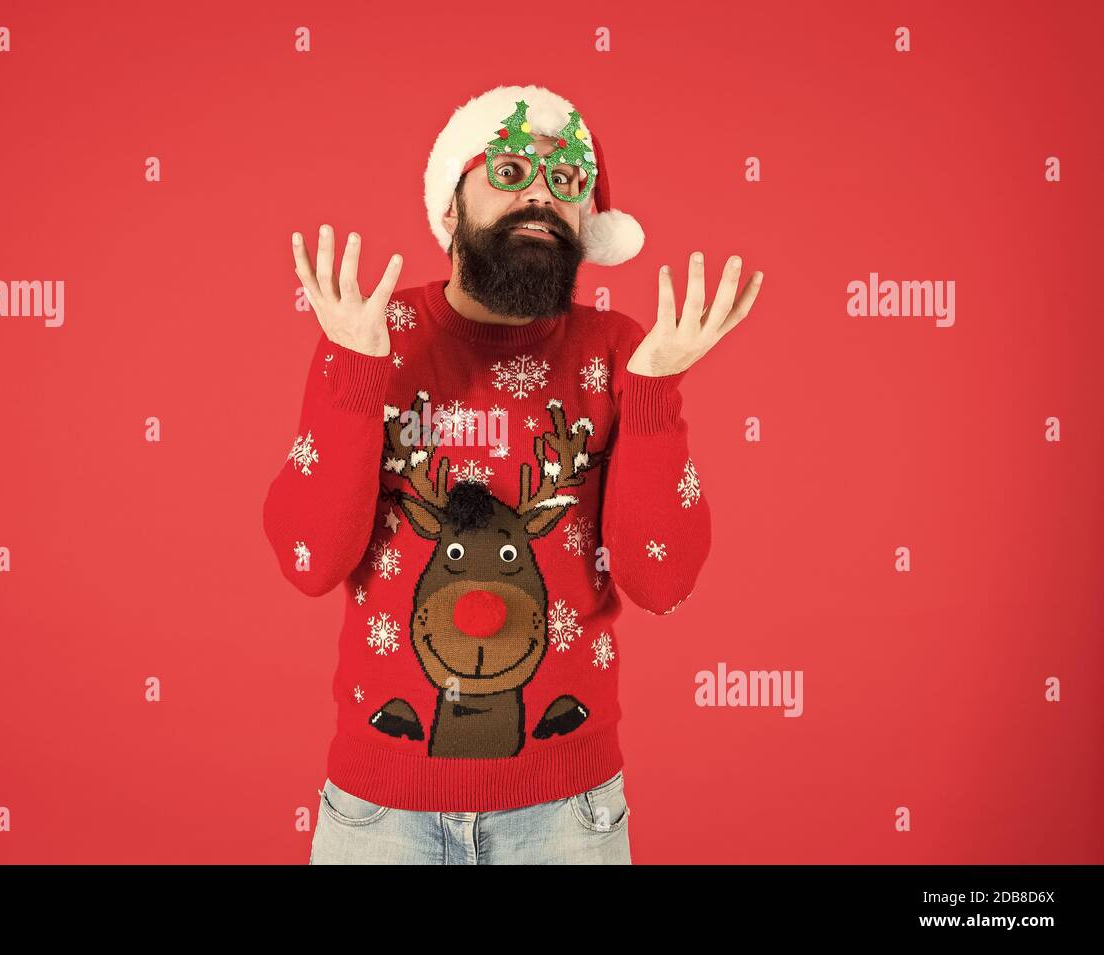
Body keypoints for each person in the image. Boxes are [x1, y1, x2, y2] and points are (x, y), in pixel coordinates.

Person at [263, 84, 763, 864]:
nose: (541, 193)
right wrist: (357, 379)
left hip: (566, 816)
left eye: (566, 181)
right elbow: (308, 558)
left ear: (585, 222)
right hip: (379, 815)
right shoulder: (372, 334)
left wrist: (657, 387)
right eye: (509, 170)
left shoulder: (619, 353)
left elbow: (662, 583)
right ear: (451, 204)